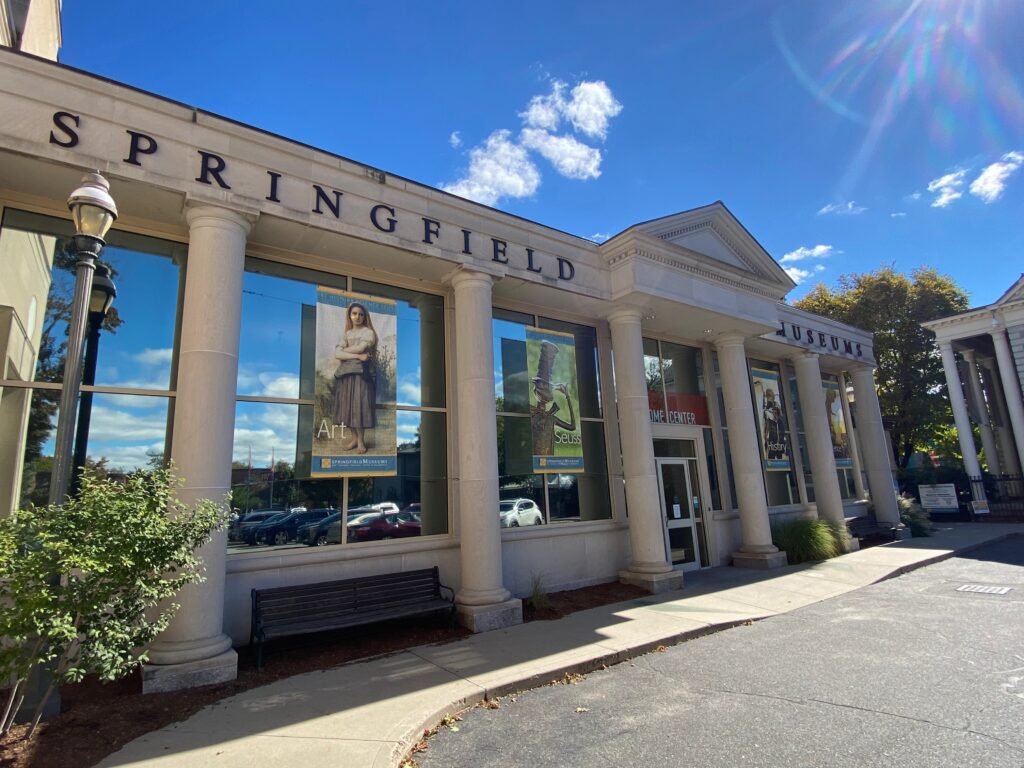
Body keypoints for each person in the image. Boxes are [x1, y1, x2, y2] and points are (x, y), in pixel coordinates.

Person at [333, 302, 377, 454]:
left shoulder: (368, 332)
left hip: (361, 373)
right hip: (346, 373)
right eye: (354, 314)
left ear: (365, 317)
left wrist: (346, 351)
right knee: (348, 407)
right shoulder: (346, 334)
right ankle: (353, 439)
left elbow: (360, 347)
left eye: (360, 314)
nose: (357, 317)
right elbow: (337, 354)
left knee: (359, 405)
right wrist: (358, 355)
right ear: (350, 316)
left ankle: (360, 441)